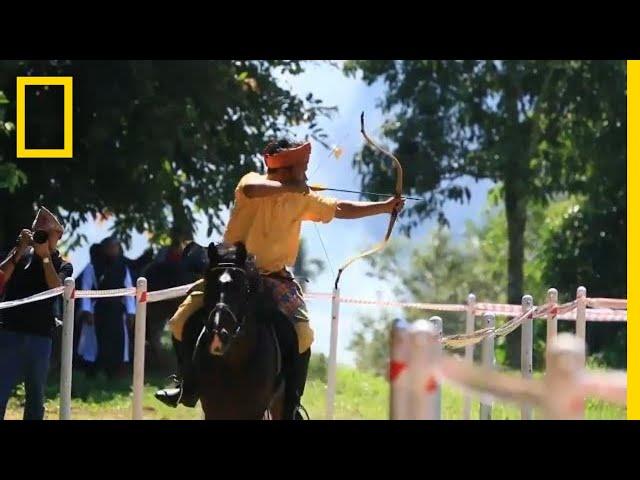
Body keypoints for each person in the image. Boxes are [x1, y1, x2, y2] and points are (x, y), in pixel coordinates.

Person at [154, 139, 404, 419]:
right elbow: (251, 190)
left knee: (303, 335)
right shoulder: (252, 182)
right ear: (284, 170)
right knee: (178, 322)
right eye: (302, 167)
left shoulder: (303, 198)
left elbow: (339, 208)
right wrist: (290, 188)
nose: (306, 174)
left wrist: (384, 207)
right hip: (232, 271)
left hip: (274, 278)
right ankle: (186, 385)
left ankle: (291, 405)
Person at [0, 207, 73, 420]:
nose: (41, 238)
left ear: (57, 236)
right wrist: (19, 250)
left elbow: (56, 288)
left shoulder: (63, 264)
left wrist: (45, 258)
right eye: (38, 233)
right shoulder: (20, 256)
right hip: (9, 333)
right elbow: (1, 277)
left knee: (35, 397)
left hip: (40, 337)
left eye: (46, 234)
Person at [77, 236, 135, 378]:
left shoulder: (122, 267)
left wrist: (131, 312)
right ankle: (93, 371)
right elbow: (86, 289)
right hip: (98, 309)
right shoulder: (92, 266)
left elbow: (129, 290)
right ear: (104, 249)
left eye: (116, 247)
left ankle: (114, 371)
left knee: (117, 340)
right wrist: (87, 310)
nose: (113, 250)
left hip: (116, 310)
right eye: (110, 247)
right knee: (95, 342)